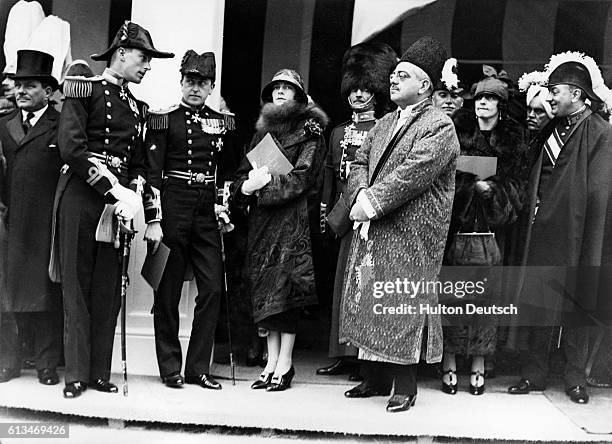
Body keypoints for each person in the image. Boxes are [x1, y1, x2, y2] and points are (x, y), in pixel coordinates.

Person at [339, 36, 459, 412]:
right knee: (371, 298)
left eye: (402, 75)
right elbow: (359, 160)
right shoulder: (384, 123)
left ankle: (405, 386)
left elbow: (413, 174)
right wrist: (360, 194)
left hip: (412, 233)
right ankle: (373, 378)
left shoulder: (439, 126)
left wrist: (370, 203)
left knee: (401, 302)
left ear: (424, 86)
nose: (392, 81)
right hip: (376, 224)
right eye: (392, 75)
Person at [54, 21, 173, 398]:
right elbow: (71, 148)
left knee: (107, 290)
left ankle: (97, 373)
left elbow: (140, 163)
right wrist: (112, 190)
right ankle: (74, 374)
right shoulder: (84, 89)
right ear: (121, 53)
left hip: (117, 207)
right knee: (76, 287)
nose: (147, 66)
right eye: (143, 57)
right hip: (81, 197)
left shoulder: (138, 108)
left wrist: (134, 197)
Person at [508, 52, 612, 404]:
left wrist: (589, 240)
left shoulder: (600, 132)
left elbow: (599, 193)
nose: (549, 96)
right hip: (542, 230)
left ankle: (574, 379)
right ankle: (533, 374)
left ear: (578, 95)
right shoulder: (552, 128)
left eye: (556, 90)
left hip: (578, 232)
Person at [143, 50, 238, 390]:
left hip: (206, 210)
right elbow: (152, 176)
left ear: (212, 87)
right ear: (181, 83)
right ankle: (170, 368)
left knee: (212, 288)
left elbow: (226, 173)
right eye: (190, 81)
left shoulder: (222, 122)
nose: (195, 88)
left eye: (203, 83)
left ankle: (198, 368)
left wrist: (223, 206)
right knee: (167, 291)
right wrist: (154, 219)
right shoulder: (162, 119)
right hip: (173, 204)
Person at [231, 69, 328, 392]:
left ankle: (285, 363)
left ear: (299, 96)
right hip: (262, 222)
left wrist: (265, 185)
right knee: (266, 290)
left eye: (288, 88)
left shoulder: (309, 132)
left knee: (286, 292)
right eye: (276, 88)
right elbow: (243, 172)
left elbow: (304, 178)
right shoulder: (262, 134)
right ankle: (270, 362)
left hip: (291, 221)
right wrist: (246, 186)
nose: (281, 92)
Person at [441, 77, 529, 396]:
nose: (483, 103)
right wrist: (469, 187)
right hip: (457, 228)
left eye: (491, 99)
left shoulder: (513, 141)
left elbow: (519, 186)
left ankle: (479, 362)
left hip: (492, 230)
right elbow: (443, 176)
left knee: (485, 300)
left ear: (501, 107)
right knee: (452, 296)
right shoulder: (456, 131)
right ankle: (448, 361)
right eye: (479, 97)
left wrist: (495, 192)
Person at [316, 42, 397, 381]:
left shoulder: (385, 128)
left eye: (365, 89)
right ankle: (342, 354)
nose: (359, 95)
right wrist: (327, 214)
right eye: (354, 89)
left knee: (364, 286)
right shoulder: (337, 132)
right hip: (342, 217)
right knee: (342, 286)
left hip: (367, 216)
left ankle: (364, 356)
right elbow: (329, 176)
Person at [0, 50, 62, 385]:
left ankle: (46, 364)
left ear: (48, 91)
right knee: (8, 296)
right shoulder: (4, 126)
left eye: (31, 85)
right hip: (10, 224)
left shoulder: (60, 124)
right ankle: (8, 362)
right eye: (19, 84)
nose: (22, 90)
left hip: (46, 224)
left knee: (44, 294)